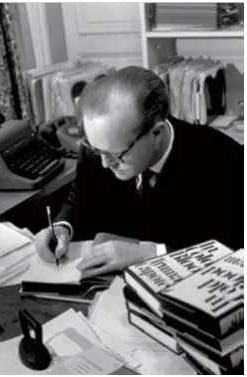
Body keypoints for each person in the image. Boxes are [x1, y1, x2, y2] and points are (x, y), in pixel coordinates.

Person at [35, 66, 243, 279]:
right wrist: (62, 227)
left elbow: (233, 253)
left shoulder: (223, 159)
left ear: (156, 133)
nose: (105, 164)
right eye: (98, 151)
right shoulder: (98, 148)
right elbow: (79, 200)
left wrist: (149, 253)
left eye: (118, 155)